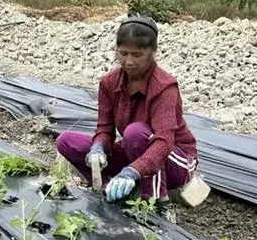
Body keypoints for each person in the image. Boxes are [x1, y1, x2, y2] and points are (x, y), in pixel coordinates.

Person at [55, 14, 200, 216]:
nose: (128, 61)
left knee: (136, 132)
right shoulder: (109, 83)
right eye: (123, 53)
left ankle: (157, 202)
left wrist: (132, 171)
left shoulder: (164, 87)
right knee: (66, 141)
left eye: (137, 54)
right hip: (134, 150)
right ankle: (110, 187)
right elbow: (105, 128)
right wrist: (98, 147)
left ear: (153, 52)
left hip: (176, 160)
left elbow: (164, 142)